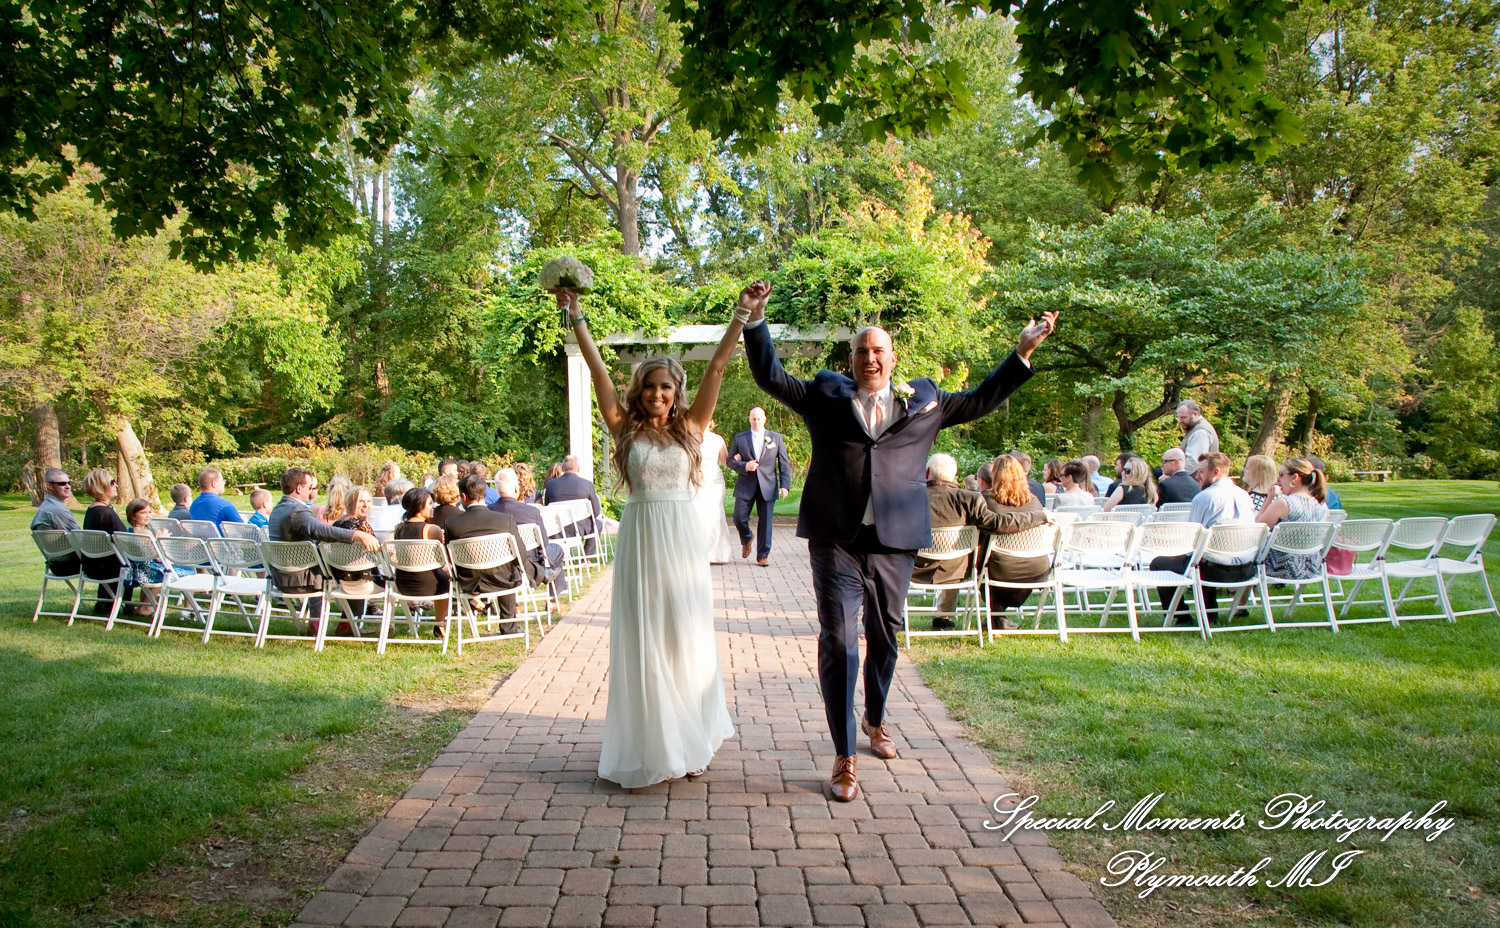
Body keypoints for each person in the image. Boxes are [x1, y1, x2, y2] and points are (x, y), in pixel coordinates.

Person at [742, 282, 1056, 802]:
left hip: (896, 541)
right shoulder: (825, 394)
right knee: (840, 643)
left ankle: (875, 717)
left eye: (879, 350)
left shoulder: (926, 401)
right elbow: (771, 377)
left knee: (885, 636)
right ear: (852, 359)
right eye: (862, 350)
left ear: (893, 359)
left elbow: (980, 399)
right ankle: (844, 756)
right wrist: (755, 323)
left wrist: (1021, 352)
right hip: (836, 539)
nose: (871, 358)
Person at [563, 280, 752, 789]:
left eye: (666, 387)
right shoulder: (624, 429)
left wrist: (741, 315)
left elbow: (716, 367)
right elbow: (598, 372)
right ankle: (654, 740)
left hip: (681, 543)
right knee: (646, 638)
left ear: (676, 392)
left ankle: (691, 739)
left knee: (685, 638)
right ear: (639, 391)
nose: (657, 394)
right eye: (649, 386)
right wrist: (576, 317)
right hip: (641, 539)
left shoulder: (692, 429)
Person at [910, 453, 1045, 630]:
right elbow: (996, 523)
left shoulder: (909, 498)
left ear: (926, 472)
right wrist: (1040, 516)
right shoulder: (970, 499)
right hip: (963, 569)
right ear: (954, 475)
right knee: (956, 558)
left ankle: (898, 615)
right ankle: (945, 616)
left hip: (914, 567)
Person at [1151, 452, 1258, 626]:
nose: (1197, 476)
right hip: (1246, 570)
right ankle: (1210, 614)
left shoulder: (1204, 497)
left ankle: (1181, 617)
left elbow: (1191, 537)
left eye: (1201, 472)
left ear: (1215, 472)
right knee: (1203, 555)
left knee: (1161, 563)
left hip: (1213, 570)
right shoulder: (1245, 495)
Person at [268, 467, 379, 604]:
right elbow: (322, 531)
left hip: (280, 577)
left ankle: (345, 623)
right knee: (351, 567)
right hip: (303, 580)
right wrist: (358, 535)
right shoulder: (297, 511)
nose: (311, 492)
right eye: (309, 487)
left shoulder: (277, 510)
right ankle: (321, 623)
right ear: (299, 488)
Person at [445, 474, 530, 634]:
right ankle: (508, 626)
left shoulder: (452, 524)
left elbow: (450, 558)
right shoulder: (505, 520)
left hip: (469, 582)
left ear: (463, 496)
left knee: (506, 569)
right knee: (509, 569)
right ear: (485, 494)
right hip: (503, 580)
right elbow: (521, 555)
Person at [980, 455, 1055, 627]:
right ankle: (997, 617)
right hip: (1036, 570)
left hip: (1001, 570)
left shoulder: (987, 501)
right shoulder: (1034, 502)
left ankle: (996, 616)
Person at [727, 406, 792, 566]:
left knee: (766, 522)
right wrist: (744, 465)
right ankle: (747, 538)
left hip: (768, 485)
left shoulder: (775, 438)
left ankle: (763, 556)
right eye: (753, 418)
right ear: (749, 419)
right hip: (745, 484)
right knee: (738, 517)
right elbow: (730, 461)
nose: (756, 421)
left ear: (764, 419)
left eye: (759, 418)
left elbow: (783, 463)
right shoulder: (740, 438)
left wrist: (785, 485)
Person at [490, 468, 567, 600]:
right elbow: (543, 542)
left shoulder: (489, 513)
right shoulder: (531, 512)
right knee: (557, 549)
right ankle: (553, 598)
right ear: (516, 489)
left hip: (499, 564)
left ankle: (514, 604)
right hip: (530, 561)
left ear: (497, 490)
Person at [390, 486, 451, 635]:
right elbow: (441, 560)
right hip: (431, 585)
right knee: (448, 578)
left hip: (403, 583)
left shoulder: (398, 529)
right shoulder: (432, 529)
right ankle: (439, 624)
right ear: (419, 506)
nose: (434, 507)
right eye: (430, 503)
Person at [1257, 457, 1330, 579]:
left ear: (1295, 477)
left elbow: (1256, 530)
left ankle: (1234, 588)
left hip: (1279, 568)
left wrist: (1269, 499)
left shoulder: (1284, 503)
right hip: (1311, 568)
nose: (1277, 480)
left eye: (1281, 475)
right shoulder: (1321, 506)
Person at [80, 468, 136, 615]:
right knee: (145, 561)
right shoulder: (106, 512)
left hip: (92, 565)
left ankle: (106, 602)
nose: (116, 485)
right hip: (109, 567)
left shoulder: (92, 510)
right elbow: (125, 539)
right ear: (101, 486)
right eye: (112, 482)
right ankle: (141, 605)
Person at [694, 419, 736, 564]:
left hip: (714, 481)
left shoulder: (717, 440)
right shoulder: (691, 437)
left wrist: (739, 460)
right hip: (696, 481)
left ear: (711, 422)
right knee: (699, 515)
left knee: (714, 514)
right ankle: (700, 553)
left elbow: (725, 460)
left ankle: (717, 554)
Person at [544, 455, 604, 555]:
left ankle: (568, 556)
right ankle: (586, 557)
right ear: (578, 469)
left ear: (562, 468)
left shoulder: (551, 485)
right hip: (580, 529)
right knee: (597, 523)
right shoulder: (587, 485)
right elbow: (596, 512)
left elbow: (547, 507)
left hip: (557, 529)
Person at [124, 498, 173, 606]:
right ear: (133, 516)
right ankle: (147, 607)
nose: (147, 515)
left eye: (149, 512)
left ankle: (143, 604)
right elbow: (158, 558)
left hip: (135, 571)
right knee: (186, 569)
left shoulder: (129, 531)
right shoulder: (145, 532)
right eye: (143, 513)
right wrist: (162, 540)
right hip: (148, 572)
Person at [1177, 400, 1220, 464]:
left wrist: (1177, 473)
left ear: (1195, 414)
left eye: (1183, 417)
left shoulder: (1200, 432)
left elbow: (1193, 462)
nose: (1180, 421)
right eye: (1179, 417)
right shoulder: (1194, 428)